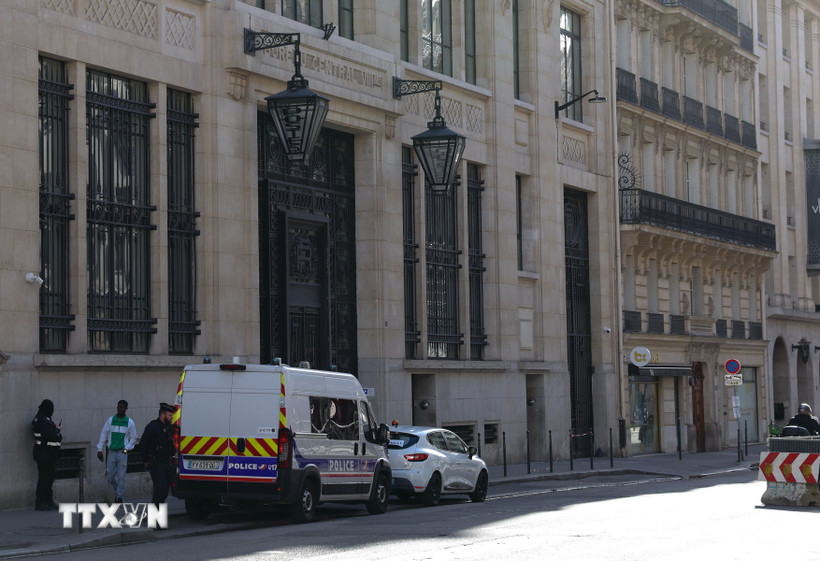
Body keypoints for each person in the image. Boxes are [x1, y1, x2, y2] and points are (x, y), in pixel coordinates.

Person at [96, 399, 137, 503]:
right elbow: (103, 434)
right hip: (112, 452)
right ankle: (118, 490)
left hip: (122, 453)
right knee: (109, 476)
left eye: (122, 407)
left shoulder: (129, 422)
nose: (120, 409)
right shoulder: (110, 420)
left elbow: (133, 438)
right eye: (119, 407)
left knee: (121, 477)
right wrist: (99, 449)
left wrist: (126, 448)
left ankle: (119, 497)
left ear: (126, 408)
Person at [139, 402, 177, 507]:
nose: (171, 418)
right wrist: (145, 460)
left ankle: (157, 517)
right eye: (170, 415)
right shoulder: (153, 427)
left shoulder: (168, 428)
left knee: (163, 492)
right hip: (156, 463)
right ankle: (155, 518)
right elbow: (143, 445)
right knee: (160, 489)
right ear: (162, 415)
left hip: (166, 463)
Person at [32, 399, 62, 511]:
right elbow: (49, 435)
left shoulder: (44, 419)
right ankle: (41, 502)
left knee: (49, 478)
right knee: (44, 478)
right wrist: (57, 430)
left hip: (48, 454)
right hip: (44, 454)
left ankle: (48, 501)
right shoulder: (42, 420)